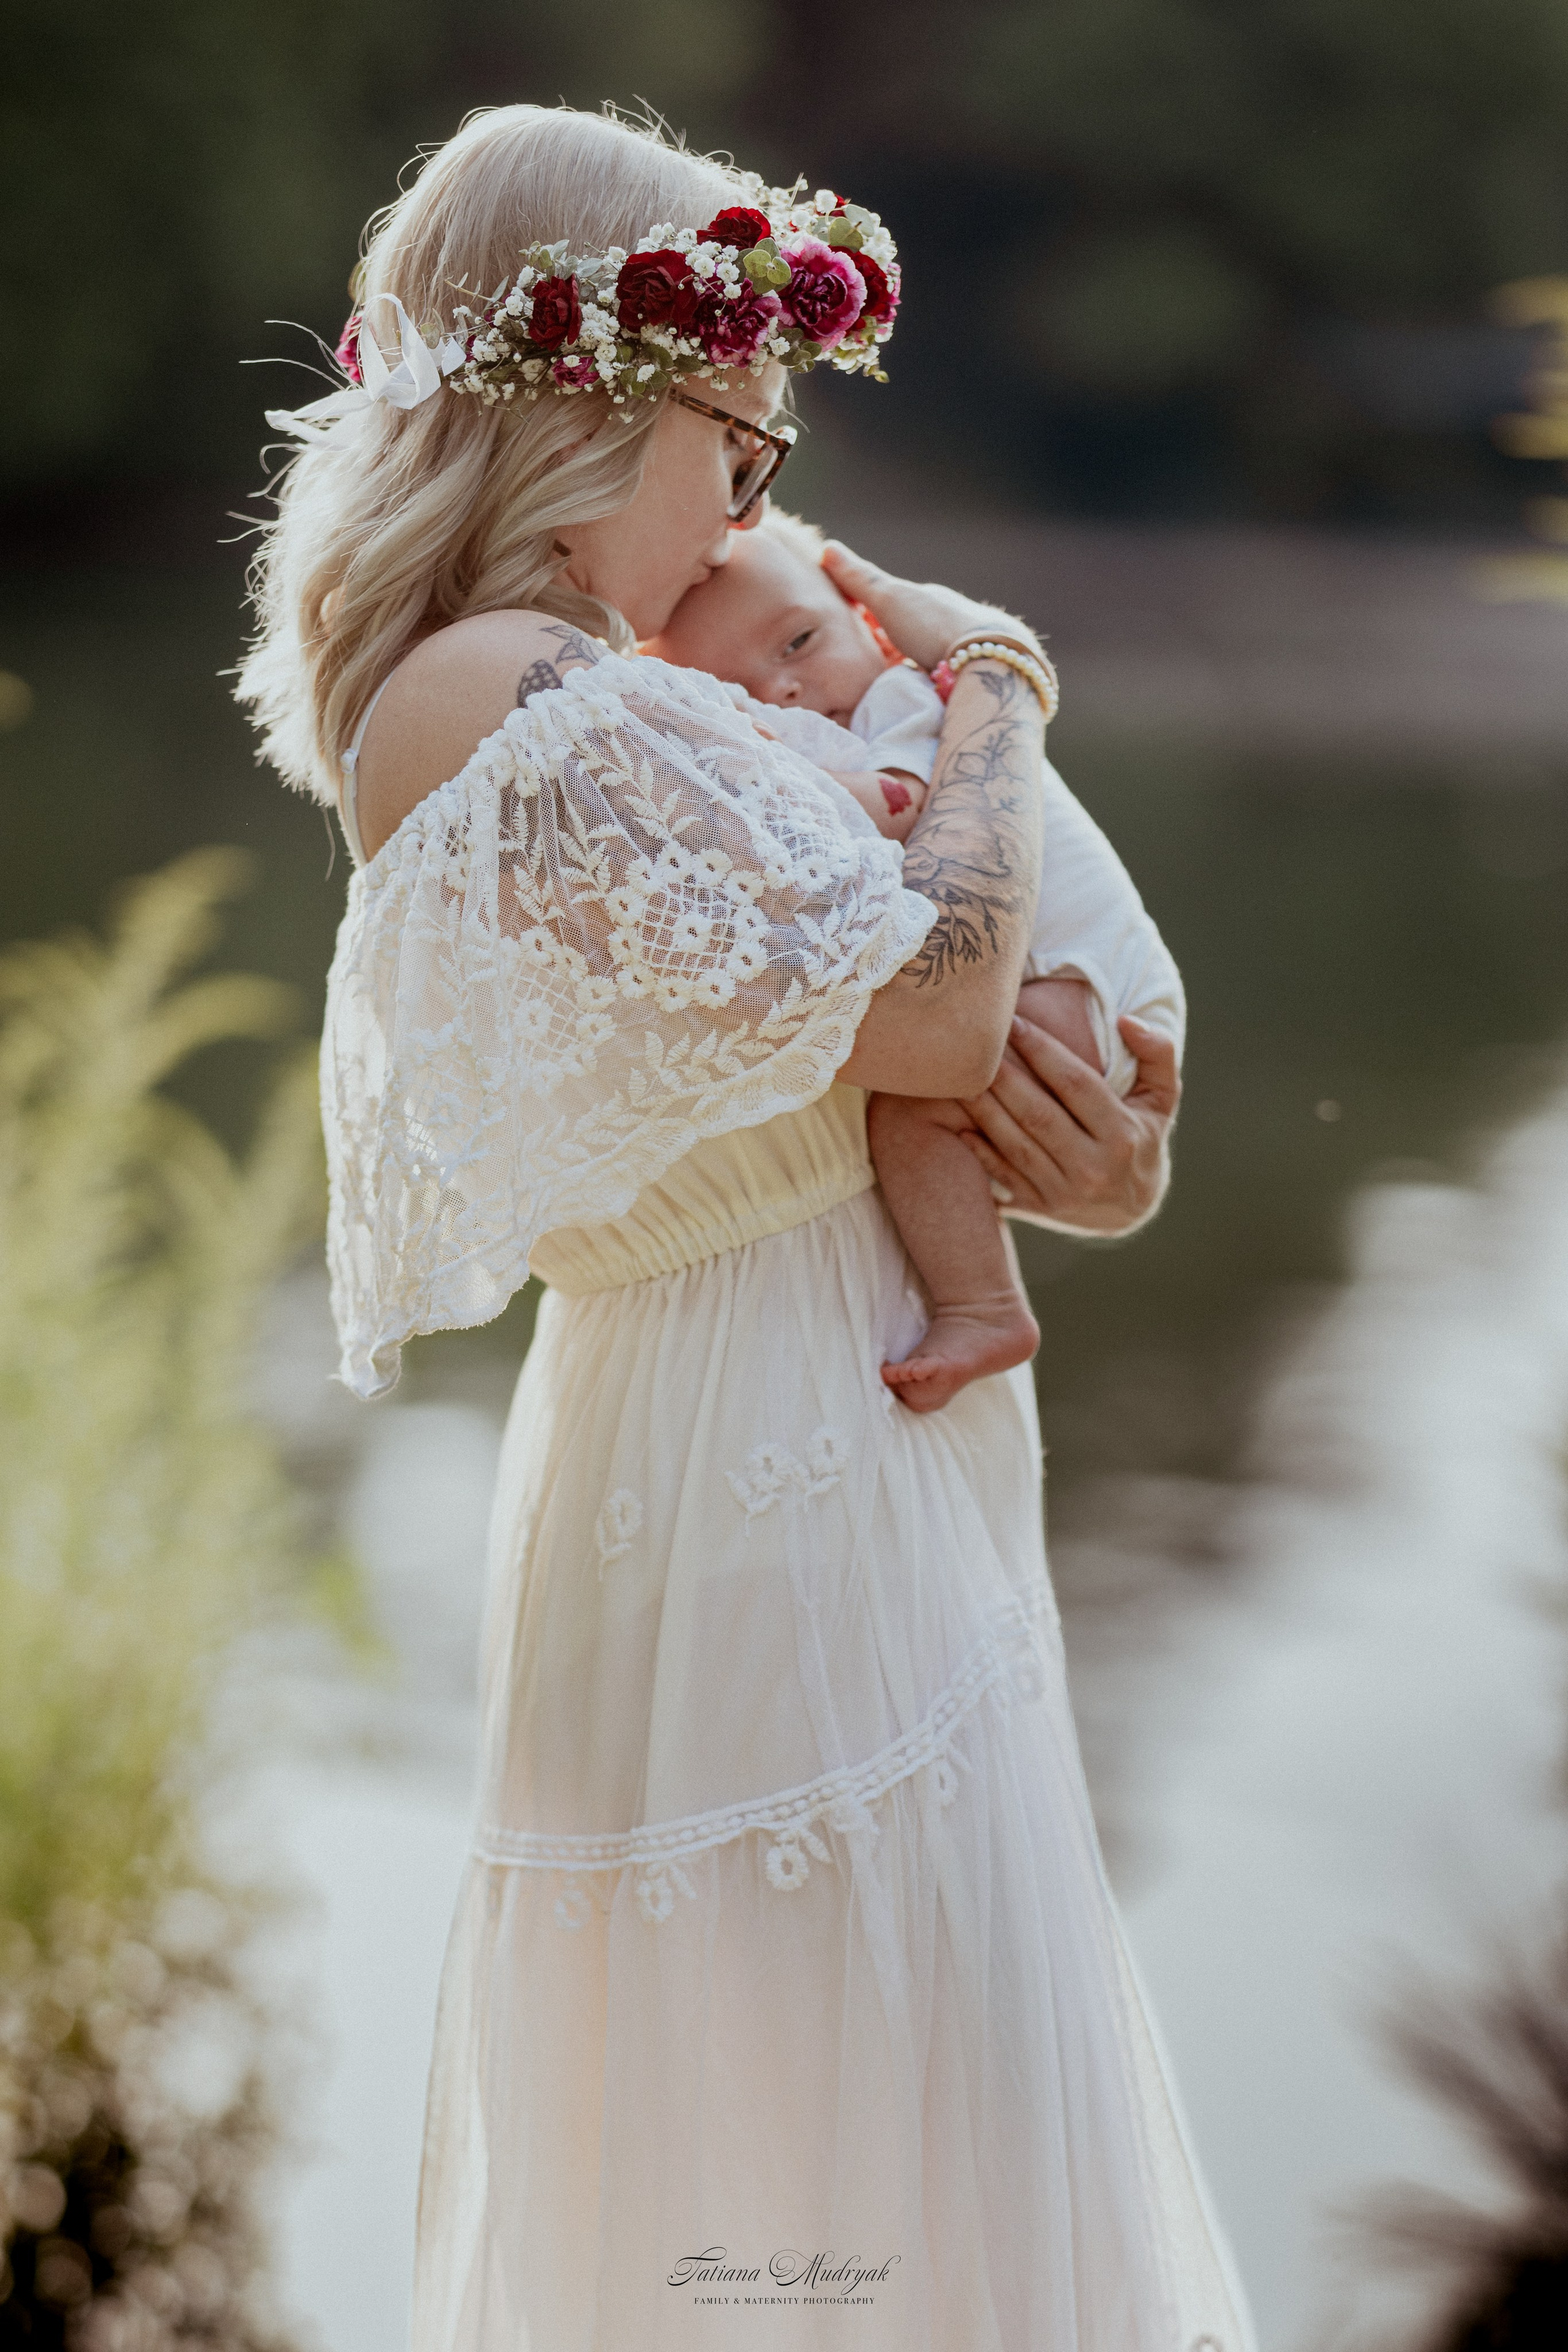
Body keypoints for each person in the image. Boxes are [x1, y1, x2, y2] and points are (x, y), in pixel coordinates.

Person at [241, 100, 1255, 2352]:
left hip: (862, 1434)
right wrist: (995, 682)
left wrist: (1096, 1154)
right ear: (593, 396)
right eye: (740, 432)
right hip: (748, 1461)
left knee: (943, 2117)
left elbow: (926, 1059)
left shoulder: (647, 675)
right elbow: (928, 990)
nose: (761, 497)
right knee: (823, 2164)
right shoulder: (486, 693)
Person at [646, 507, 1177, 1409]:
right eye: (735, 695)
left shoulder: (903, 706)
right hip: (1082, 985)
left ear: (872, 621)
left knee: (915, 1111)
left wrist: (802, 778)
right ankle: (981, 1297)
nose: (783, 692)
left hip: (1076, 986)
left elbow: (900, 808)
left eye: (801, 641)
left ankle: (984, 1304)